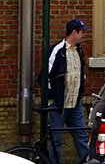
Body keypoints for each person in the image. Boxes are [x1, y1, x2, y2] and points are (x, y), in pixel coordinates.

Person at [43, 18, 92, 164]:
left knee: (81, 136)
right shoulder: (57, 50)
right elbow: (46, 76)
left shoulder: (79, 50)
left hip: (75, 102)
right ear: (74, 32)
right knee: (56, 140)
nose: (83, 35)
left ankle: (86, 162)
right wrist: (53, 97)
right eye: (82, 32)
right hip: (59, 104)